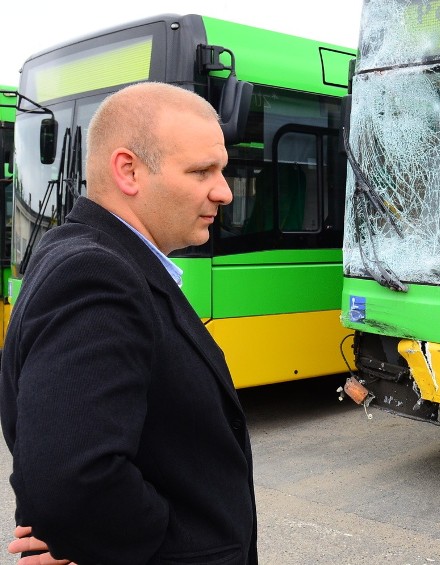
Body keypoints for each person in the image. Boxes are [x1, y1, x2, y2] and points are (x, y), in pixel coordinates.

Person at [0, 82, 258, 564]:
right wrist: (112, 547)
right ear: (129, 171)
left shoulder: (87, 255)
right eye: (203, 171)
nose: (224, 192)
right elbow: (71, 479)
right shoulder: (96, 275)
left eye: (222, 170)